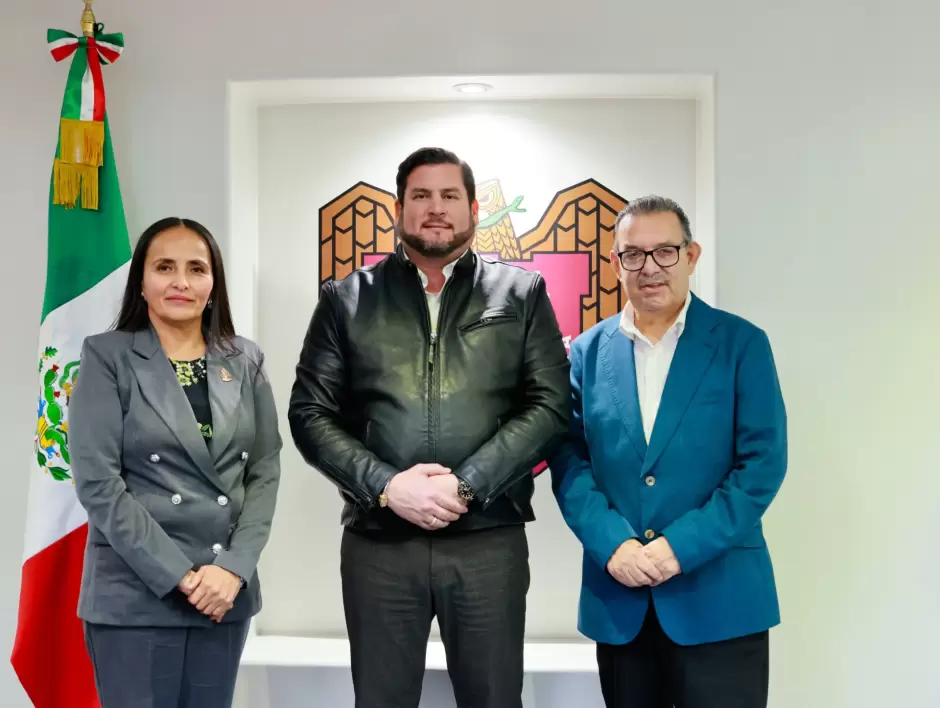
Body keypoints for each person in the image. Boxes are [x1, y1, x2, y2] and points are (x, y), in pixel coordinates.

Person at [288, 147, 571, 708]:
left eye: (449, 196)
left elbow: (550, 406)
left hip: (488, 540)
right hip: (380, 544)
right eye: (420, 196)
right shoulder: (346, 299)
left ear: (472, 209)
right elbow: (309, 413)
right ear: (398, 208)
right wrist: (389, 487)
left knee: (493, 699)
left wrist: (465, 485)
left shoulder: (521, 294)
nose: (434, 208)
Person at [548, 195, 787, 708]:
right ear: (615, 264)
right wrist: (614, 545)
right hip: (622, 599)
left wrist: (679, 546)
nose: (649, 267)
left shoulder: (741, 344)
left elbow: (761, 465)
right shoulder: (587, 352)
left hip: (721, 601)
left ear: (692, 255)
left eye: (665, 252)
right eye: (633, 254)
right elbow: (569, 460)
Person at [69, 217, 282, 708]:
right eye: (165, 267)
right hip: (137, 595)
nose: (181, 282)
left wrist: (233, 569)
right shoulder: (107, 356)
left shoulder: (245, 359)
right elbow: (100, 485)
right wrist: (183, 576)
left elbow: (265, 469)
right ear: (141, 282)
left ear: (214, 283)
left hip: (223, 597)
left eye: (196, 268)